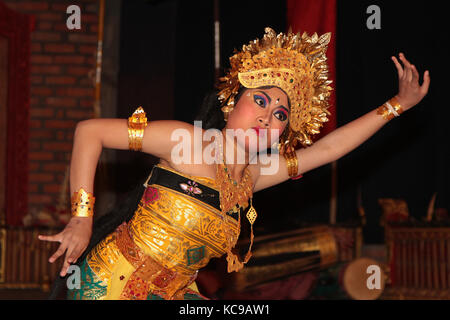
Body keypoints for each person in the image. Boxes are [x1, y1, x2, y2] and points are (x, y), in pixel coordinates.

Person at [39, 27, 430, 300]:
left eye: (280, 114)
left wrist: (397, 106)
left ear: (282, 133)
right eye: (260, 100)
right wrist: (82, 218)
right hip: (115, 284)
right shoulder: (188, 142)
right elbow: (90, 131)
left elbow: (328, 151)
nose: (267, 116)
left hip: (175, 290)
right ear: (231, 104)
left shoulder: (253, 176)